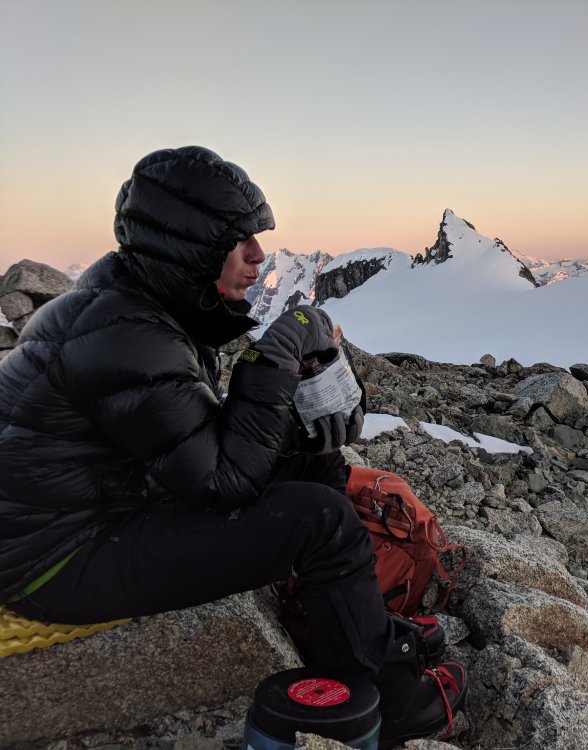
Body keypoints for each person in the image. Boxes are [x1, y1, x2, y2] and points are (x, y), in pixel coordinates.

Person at [0, 146, 467, 747]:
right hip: (54, 559)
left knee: (314, 464)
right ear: (187, 246)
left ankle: (353, 626)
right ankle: (395, 701)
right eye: (236, 239)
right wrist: (270, 362)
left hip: (101, 506)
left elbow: (187, 443)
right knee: (317, 520)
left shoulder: (137, 301)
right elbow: (221, 482)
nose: (258, 255)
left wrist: (298, 399)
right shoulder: (123, 334)